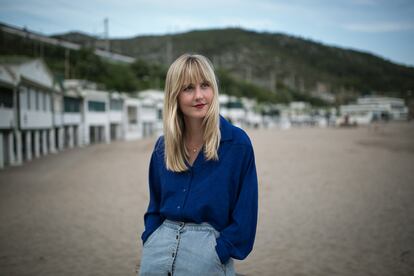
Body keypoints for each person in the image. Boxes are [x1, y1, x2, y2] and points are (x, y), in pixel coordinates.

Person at [139, 53, 258, 276]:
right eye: (188, 88)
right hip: (157, 253)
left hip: (206, 258)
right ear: (174, 95)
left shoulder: (237, 144)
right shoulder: (163, 147)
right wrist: (150, 238)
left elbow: (246, 216)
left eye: (205, 85)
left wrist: (219, 251)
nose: (199, 96)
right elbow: (155, 206)